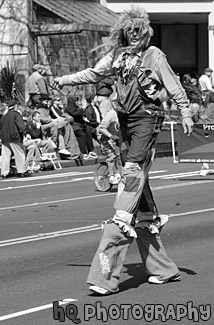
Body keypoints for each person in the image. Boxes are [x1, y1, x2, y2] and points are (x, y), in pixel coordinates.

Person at [54, 5, 193, 295]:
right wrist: (64, 80)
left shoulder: (154, 55)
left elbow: (172, 82)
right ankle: (163, 269)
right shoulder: (117, 56)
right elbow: (94, 73)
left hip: (147, 120)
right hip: (126, 122)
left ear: (145, 31)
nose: (134, 35)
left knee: (130, 179)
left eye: (138, 30)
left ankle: (105, 276)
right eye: (129, 31)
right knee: (139, 188)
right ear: (123, 32)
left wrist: (186, 111)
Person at [0, 99, 31, 178]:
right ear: (15, 106)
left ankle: (4, 172)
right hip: (14, 137)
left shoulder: (4, 117)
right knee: (19, 154)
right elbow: (21, 125)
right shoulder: (16, 114)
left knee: (5, 156)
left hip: (5, 138)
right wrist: (25, 133)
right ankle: (22, 171)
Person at [65, 95, 98, 160]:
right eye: (76, 100)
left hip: (82, 125)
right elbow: (75, 114)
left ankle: (91, 150)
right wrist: (82, 109)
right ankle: (83, 152)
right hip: (75, 126)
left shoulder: (77, 107)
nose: (77, 102)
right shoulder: (69, 108)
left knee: (88, 133)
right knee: (81, 135)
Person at [97, 106, 121, 184]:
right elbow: (101, 128)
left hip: (116, 137)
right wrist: (110, 136)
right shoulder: (111, 114)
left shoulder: (124, 114)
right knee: (112, 155)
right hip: (105, 137)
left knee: (120, 155)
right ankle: (111, 176)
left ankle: (118, 173)